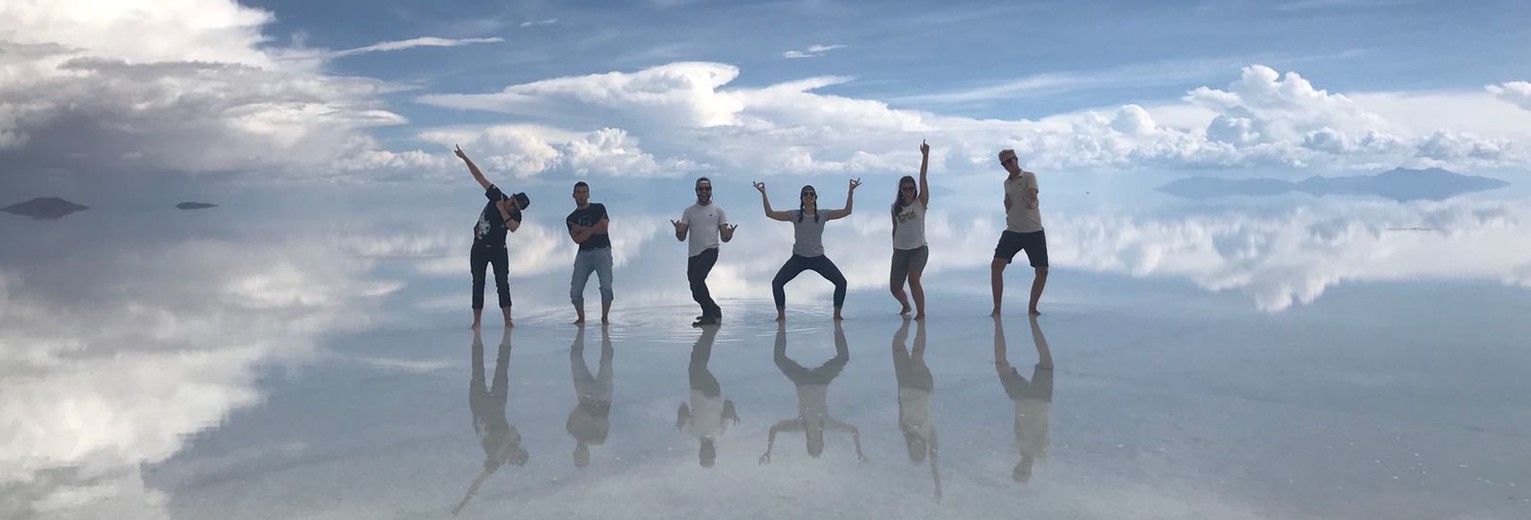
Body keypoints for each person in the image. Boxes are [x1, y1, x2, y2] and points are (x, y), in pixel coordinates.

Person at [752, 178, 861, 322]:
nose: (808, 196)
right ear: (802, 198)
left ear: (815, 197)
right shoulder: (795, 215)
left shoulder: (823, 215)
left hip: (818, 259)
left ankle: (837, 314)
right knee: (777, 283)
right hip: (798, 258)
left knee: (841, 282)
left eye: (811, 194)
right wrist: (763, 193)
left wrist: (851, 191)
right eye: (806, 194)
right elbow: (770, 213)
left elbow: (847, 211)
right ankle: (781, 315)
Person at [759, 322, 867, 464]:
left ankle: (781, 326)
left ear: (808, 443)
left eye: (813, 446)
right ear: (822, 443)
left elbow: (774, 429)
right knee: (843, 357)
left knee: (778, 358)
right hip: (822, 380)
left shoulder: (800, 425)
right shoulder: (827, 423)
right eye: (819, 446)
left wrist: (768, 451)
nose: (816, 443)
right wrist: (859, 453)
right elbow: (853, 430)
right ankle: (837, 325)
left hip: (802, 381)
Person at [454, 327, 528, 515]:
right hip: (497, 404)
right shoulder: (510, 446)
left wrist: (463, 503)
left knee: (478, 368)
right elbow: (513, 430)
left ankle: (479, 337)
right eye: (518, 452)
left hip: (480, 405)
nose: (515, 452)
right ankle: (503, 338)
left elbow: (478, 481)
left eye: (516, 456)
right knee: (501, 368)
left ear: (512, 460)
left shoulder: (495, 460)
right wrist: (507, 447)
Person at [455, 145, 530, 329]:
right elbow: (479, 177)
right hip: (479, 247)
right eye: (512, 203)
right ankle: (477, 320)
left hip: (499, 250)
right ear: (511, 197)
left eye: (515, 207)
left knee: (502, 283)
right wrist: (464, 157)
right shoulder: (498, 195)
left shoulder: (515, 215)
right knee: (478, 283)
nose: (512, 206)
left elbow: (513, 227)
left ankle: (508, 319)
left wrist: (503, 211)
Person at [993, 315, 1054, 484]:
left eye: (1019, 469)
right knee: (1046, 361)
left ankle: (998, 323)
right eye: (1023, 471)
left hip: (1023, 400)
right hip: (1041, 399)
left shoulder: (1021, 447)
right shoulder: (1040, 452)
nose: (1022, 467)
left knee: (1001, 366)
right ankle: (1032, 322)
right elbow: (1045, 429)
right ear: (1029, 471)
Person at [672, 177, 736, 327]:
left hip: (710, 250)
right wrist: (678, 231)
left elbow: (724, 237)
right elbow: (681, 237)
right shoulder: (689, 211)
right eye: (701, 189)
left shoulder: (718, 211)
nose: (704, 191)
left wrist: (729, 235)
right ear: (696, 190)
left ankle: (708, 316)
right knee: (695, 289)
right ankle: (714, 309)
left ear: (711, 190)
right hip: (693, 254)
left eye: (707, 189)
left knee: (698, 279)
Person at [991, 148, 1047, 316]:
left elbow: (1033, 196)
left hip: (1033, 231)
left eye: (1009, 161)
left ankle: (1032, 308)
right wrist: (1006, 205)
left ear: (1016, 159)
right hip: (1013, 231)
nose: (1007, 165)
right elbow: (1009, 204)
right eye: (1004, 163)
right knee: (996, 266)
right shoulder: (1006, 183)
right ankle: (997, 308)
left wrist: (1032, 202)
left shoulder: (1029, 176)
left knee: (1042, 271)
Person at [675, 325, 739, 468]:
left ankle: (708, 335)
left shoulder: (701, 431)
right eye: (710, 454)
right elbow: (728, 406)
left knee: (697, 364)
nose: (707, 452)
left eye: (705, 455)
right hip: (701, 389)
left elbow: (683, 408)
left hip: (710, 390)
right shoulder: (715, 431)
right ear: (714, 452)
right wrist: (732, 412)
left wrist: (680, 419)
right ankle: (709, 334)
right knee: (696, 365)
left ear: (700, 453)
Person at [892, 319, 941, 500]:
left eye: (914, 452)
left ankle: (906, 323)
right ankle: (920, 324)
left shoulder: (903, 427)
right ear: (924, 448)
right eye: (920, 451)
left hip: (905, 385)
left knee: (897, 345)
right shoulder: (929, 434)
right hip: (922, 388)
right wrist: (937, 485)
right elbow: (934, 462)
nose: (916, 448)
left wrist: (900, 387)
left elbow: (900, 405)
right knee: (917, 356)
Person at [892, 140, 932, 320]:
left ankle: (921, 312)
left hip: (919, 249)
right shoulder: (895, 208)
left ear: (914, 189)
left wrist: (925, 156)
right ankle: (905, 304)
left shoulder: (920, 203)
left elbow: (923, 178)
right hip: (900, 250)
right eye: (905, 189)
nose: (908, 191)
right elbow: (895, 228)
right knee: (895, 288)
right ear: (901, 190)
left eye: (911, 188)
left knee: (914, 278)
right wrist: (894, 247)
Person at [567, 325, 614, 468]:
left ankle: (600, 332)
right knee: (605, 360)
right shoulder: (598, 439)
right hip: (601, 398)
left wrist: (586, 416)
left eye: (578, 456)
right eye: (581, 457)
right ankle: (605, 334)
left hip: (586, 397)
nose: (579, 453)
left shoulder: (572, 430)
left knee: (576, 356)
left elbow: (578, 414)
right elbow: (602, 421)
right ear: (587, 454)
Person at [566, 181, 613, 325]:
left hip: (602, 250)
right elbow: (577, 239)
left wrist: (583, 229)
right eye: (578, 192)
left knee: (606, 286)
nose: (581, 195)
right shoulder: (571, 219)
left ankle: (604, 317)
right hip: (584, 254)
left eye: (584, 192)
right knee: (575, 291)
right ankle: (581, 318)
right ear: (573, 195)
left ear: (588, 194)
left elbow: (604, 229)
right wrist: (594, 228)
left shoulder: (599, 208)